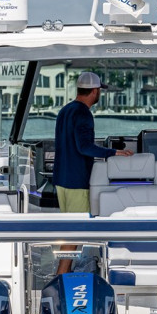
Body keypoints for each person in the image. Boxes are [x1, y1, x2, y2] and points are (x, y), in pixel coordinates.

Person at [53, 71, 132, 273]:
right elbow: (85, 147)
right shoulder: (83, 114)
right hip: (76, 181)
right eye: (99, 91)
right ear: (95, 91)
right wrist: (114, 152)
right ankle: (61, 274)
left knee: (70, 227)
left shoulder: (65, 110)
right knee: (76, 229)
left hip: (61, 179)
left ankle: (65, 271)